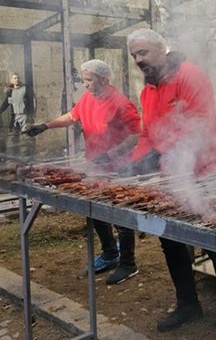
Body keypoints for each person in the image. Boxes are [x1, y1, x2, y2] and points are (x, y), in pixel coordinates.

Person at [125, 28, 216, 339]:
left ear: (161, 49)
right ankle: (187, 303)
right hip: (172, 177)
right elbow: (147, 134)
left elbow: (200, 127)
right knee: (170, 239)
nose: (139, 59)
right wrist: (136, 160)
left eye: (144, 52)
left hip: (206, 174)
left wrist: (158, 154)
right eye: (134, 55)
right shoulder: (146, 91)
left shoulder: (188, 75)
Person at [25, 59, 142, 285]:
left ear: (104, 80)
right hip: (94, 164)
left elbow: (135, 136)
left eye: (88, 80)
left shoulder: (121, 104)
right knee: (94, 209)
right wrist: (45, 126)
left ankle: (128, 264)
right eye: (84, 80)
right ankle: (110, 253)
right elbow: (72, 116)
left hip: (118, 167)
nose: (84, 84)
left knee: (120, 214)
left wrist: (110, 154)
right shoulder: (88, 98)